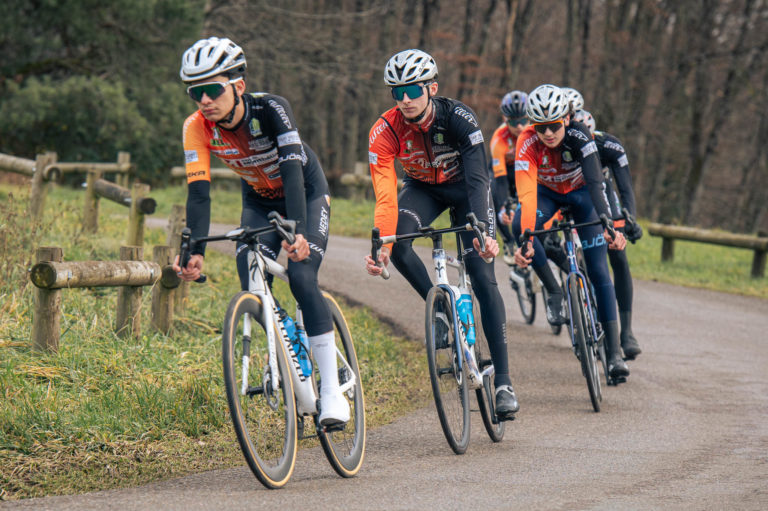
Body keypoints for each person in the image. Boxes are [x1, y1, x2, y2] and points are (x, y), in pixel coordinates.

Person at [172, 36, 348, 427]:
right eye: (194, 92)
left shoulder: (272, 109)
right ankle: (281, 347)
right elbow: (199, 194)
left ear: (237, 86)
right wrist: (195, 249)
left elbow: (291, 170)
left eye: (211, 90)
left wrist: (298, 232)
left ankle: (333, 390)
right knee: (251, 275)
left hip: (304, 192)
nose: (203, 100)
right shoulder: (196, 128)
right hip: (259, 202)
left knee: (302, 277)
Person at [364, 49, 519, 419]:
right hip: (423, 190)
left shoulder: (459, 118)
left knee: (483, 277)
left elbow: (481, 178)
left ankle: (504, 383)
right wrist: (382, 241)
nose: (405, 100)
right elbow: (385, 194)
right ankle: (440, 307)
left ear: (431, 87)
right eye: (396, 92)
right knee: (398, 245)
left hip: (466, 189)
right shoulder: (384, 131)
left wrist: (482, 228)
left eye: (413, 89)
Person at [511, 84, 630, 381]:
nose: (548, 134)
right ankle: (553, 289)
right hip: (547, 194)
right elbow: (526, 194)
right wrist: (527, 237)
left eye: (553, 126)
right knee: (518, 225)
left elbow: (595, 182)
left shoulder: (580, 136)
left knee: (600, 271)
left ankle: (614, 353)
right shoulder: (526, 142)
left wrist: (608, 224)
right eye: (541, 127)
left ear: (566, 118)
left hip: (582, 196)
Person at [573, 109, 643, 360]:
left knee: (618, 254)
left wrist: (630, 218)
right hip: (570, 198)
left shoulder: (610, 146)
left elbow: (624, 188)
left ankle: (626, 332)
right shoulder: (558, 146)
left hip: (602, 197)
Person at [489, 91, 529, 264]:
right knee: (494, 197)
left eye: (523, 120)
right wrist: (504, 206)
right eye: (514, 122)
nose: (519, 126)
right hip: (505, 173)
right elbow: (501, 179)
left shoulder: (537, 132)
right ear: (506, 120)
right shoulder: (499, 139)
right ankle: (508, 239)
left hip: (527, 171)